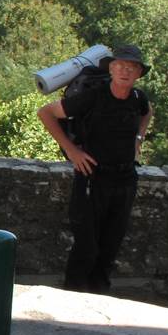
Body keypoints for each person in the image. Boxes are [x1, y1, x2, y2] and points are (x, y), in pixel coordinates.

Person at [37, 44, 152, 294]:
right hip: (92, 179)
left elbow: (147, 112)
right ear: (111, 68)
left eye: (131, 68)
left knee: (110, 246)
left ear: (139, 73)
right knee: (87, 247)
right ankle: (74, 300)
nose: (125, 71)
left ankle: (99, 299)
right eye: (120, 66)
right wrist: (72, 151)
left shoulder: (137, 98)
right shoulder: (93, 96)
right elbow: (46, 112)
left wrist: (139, 139)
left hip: (124, 180)